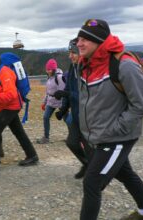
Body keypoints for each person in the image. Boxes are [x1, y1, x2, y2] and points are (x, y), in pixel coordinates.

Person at [76, 19, 143, 220]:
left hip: (117, 137)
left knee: (91, 182)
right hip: (98, 136)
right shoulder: (86, 64)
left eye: (86, 39)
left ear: (100, 41)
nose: (79, 43)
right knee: (124, 172)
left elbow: (142, 105)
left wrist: (115, 129)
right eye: (79, 38)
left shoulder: (124, 65)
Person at [0, 48, 38, 177]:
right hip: (0, 105)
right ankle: (32, 155)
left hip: (11, 106)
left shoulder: (4, 72)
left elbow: (11, 95)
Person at [53, 39, 91, 179]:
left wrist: (67, 94)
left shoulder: (88, 68)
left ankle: (94, 176)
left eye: (73, 53)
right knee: (72, 143)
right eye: (70, 53)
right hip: (76, 114)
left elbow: (87, 94)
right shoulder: (73, 66)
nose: (70, 56)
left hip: (88, 116)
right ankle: (87, 164)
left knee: (89, 148)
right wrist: (63, 109)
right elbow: (68, 88)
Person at [36, 59, 66, 144]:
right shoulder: (49, 77)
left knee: (67, 119)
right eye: (47, 69)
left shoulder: (59, 77)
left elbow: (63, 91)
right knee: (45, 117)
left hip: (60, 101)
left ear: (54, 69)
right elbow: (47, 91)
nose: (48, 71)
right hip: (50, 101)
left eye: (49, 69)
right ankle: (46, 137)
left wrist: (64, 105)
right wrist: (44, 102)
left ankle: (73, 136)